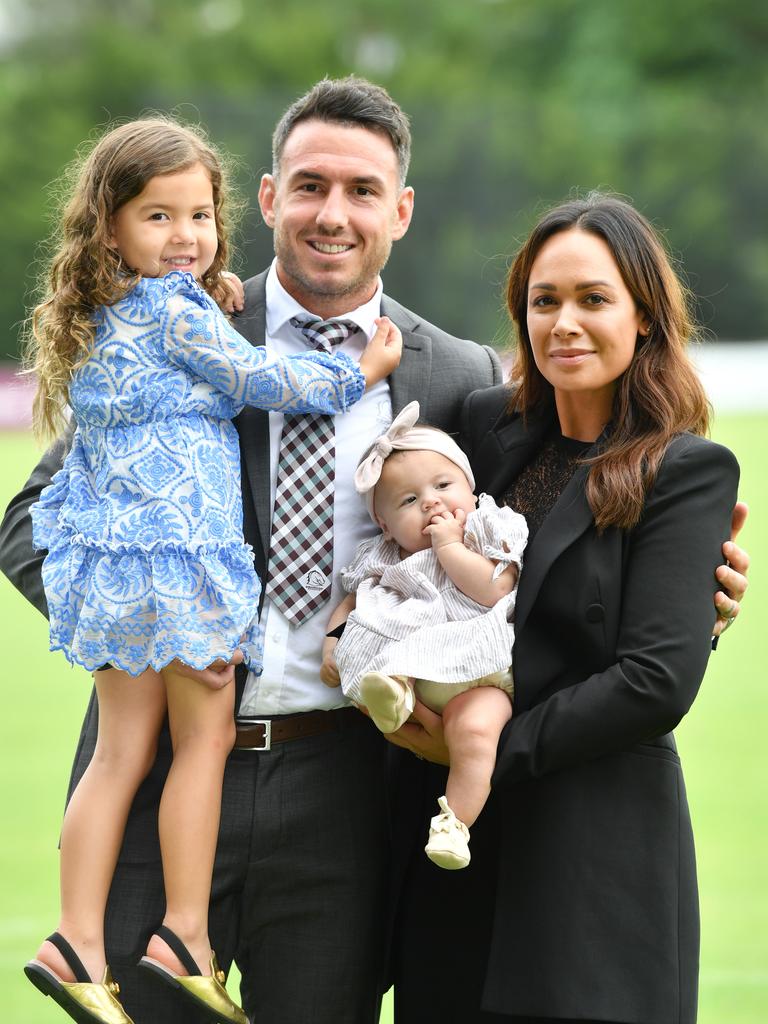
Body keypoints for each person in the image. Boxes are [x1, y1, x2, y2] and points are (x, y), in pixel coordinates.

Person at [0, 81, 749, 1023]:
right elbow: (30, 518)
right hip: (162, 773)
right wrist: (140, 626)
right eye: (310, 185)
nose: (333, 214)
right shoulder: (176, 325)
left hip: (352, 787)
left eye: (363, 191)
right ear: (269, 199)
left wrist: (689, 599)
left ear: (400, 210)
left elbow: (545, 543)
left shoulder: (459, 380)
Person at [18, 115, 401, 1024]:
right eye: (160, 219)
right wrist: (359, 371)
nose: (184, 236)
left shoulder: (115, 315)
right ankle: (182, 933)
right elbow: (267, 381)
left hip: (331, 777)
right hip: (183, 585)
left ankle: (74, 942)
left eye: (197, 217)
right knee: (197, 741)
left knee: (120, 754)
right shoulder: (193, 317)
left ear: (402, 208)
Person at [387, 193, 742, 1024]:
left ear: (645, 317)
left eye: (593, 299)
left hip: (596, 857)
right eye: (544, 301)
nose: (565, 324)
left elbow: (656, 678)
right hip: (460, 857)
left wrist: (480, 751)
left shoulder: (685, 471)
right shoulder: (483, 430)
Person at [321, 400, 527, 870]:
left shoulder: (484, 529)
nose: (431, 502)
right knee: (383, 654)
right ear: (385, 524)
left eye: (442, 485)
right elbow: (354, 600)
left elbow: (495, 589)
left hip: (481, 672)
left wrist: (449, 545)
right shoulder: (385, 554)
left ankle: (454, 825)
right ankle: (393, 695)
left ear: (471, 489)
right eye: (409, 501)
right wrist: (333, 641)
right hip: (413, 668)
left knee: (476, 733)